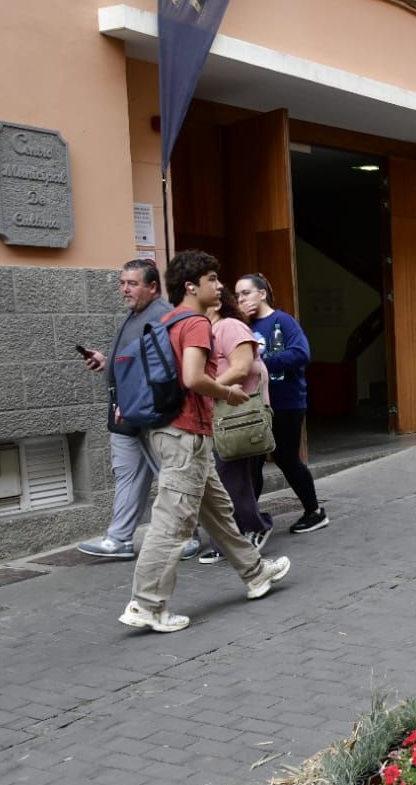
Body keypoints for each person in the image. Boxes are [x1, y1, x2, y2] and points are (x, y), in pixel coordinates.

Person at [119, 250, 291, 633]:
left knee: (218, 510)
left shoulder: (167, 320)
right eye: (213, 279)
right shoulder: (195, 323)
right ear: (191, 286)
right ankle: (147, 605)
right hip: (185, 434)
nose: (220, 286)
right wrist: (227, 394)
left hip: (176, 432)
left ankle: (255, 572)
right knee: (172, 523)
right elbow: (194, 377)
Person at [77, 259, 200, 562]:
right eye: (121, 283)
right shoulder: (135, 315)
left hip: (149, 416)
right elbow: (136, 364)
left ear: (153, 287)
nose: (124, 289)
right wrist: (107, 363)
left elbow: (163, 370)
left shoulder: (161, 316)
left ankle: (189, 537)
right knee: (128, 476)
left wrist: (137, 404)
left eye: (132, 283)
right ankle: (119, 539)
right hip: (127, 415)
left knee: (171, 478)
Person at [236, 275, 327, 534]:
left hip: (286, 403)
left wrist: (262, 364)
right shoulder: (242, 325)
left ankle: (315, 511)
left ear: (262, 293)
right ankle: (249, 522)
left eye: (246, 293)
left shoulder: (282, 321)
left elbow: (301, 353)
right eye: (238, 295)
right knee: (252, 461)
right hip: (254, 405)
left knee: (286, 459)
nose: (241, 299)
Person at [197, 295, 272, 564]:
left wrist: (203, 388)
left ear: (215, 305)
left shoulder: (229, 326)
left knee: (231, 478)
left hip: (236, 416)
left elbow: (242, 369)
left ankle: (257, 526)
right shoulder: (205, 331)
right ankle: (226, 539)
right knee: (223, 479)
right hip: (217, 415)